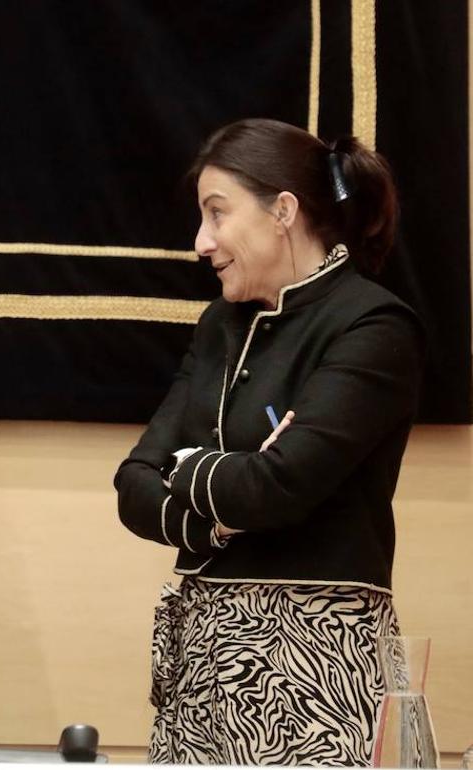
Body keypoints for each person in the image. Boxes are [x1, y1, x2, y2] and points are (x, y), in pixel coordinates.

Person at [115, 118, 424, 765]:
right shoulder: (220, 326)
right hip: (200, 650)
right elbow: (133, 485)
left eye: (217, 214)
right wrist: (223, 508)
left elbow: (280, 487)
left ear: (283, 210)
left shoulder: (373, 325)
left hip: (317, 653)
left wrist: (192, 467)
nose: (202, 242)